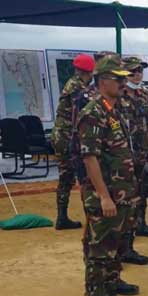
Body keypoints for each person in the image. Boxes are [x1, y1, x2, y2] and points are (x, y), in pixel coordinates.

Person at [78, 54, 140, 296]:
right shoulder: (93, 111)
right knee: (100, 254)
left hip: (123, 194)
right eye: (119, 79)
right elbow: (89, 158)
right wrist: (103, 196)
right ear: (103, 81)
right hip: (105, 197)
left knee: (115, 252)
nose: (124, 83)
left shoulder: (114, 109)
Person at [116, 56, 148, 266]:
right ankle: (119, 250)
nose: (138, 74)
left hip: (140, 154)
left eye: (140, 71)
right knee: (123, 202)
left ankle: (132, 242)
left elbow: (147, 126)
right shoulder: (116, 97)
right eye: (133, 71)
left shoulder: (144, 96)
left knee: (140, 196)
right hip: (121, 158)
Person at [50, 54, 94, 230]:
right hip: (69, 136)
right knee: (83, 176)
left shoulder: (73, 83)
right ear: (89, 71)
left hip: (62, 135)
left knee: (66, 177)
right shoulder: (77, 87)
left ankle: (62, 217)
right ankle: (90, 219)